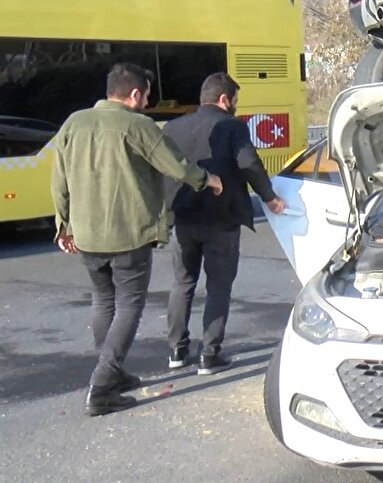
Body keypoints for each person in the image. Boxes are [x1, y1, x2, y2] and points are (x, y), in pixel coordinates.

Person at [51, 62, 223, 416]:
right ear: (133, 94)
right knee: (129, 305)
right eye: (146, 95)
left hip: (85, 234)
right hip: (128, 234)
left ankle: (112, 373)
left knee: (103, 301)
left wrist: (63, 224)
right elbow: (175, 165)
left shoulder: (73, 123)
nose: (147, 102)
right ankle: (101, 388)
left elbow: (60, 179)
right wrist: (208, 180)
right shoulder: (137, 125)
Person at [163, 72, 286, 375]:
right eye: (234, 101)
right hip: (222, 220)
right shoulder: (232, 126)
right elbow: (248, 164)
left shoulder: (173, 127)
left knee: (182, 283)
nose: (235, 106)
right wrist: (269, 196)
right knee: (219, 286)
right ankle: (209, 355)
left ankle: (177, 351)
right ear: (224, 99)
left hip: (182, 219)